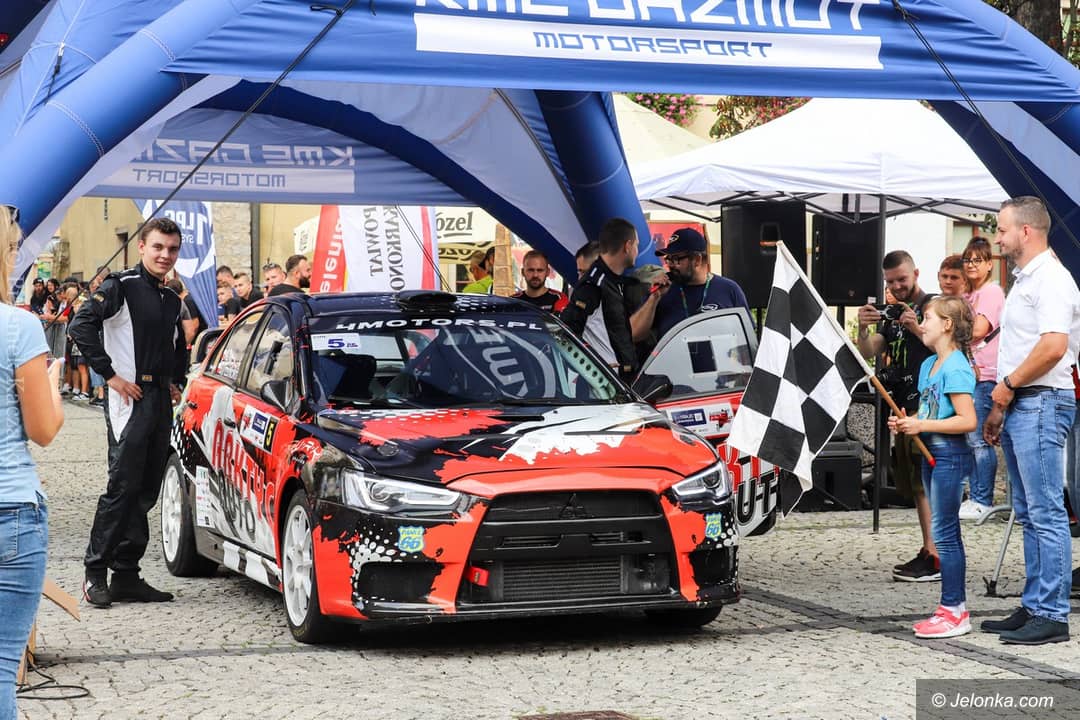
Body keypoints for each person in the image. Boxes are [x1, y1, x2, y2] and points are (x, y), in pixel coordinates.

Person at [68, 217, 189, 608]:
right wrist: (110, 377)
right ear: (141, 247)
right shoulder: (121, 285)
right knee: (122, 487)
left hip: (159, 400)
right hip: (129, 399)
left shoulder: (172, 299)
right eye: (158, 247)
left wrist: (174, 380)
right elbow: (79, 326)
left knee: (147, 488)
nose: (165, 255)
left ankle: (126, 574)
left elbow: (176, 346)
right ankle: (94, 573)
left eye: (172, 249)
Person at [981, 196, 1080, 645]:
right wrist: (1001, 405)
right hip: (1025, 401)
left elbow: (1053, 347)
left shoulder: (1052, 278)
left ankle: (1052, 613)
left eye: (1002, 229)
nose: (997, 238)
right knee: (1028, 511)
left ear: (1026, 231)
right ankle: (1036, 603)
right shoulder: (1029, 278)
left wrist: (1008, 386)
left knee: (1045, 511)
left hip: (1041, 399)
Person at [0, 206, 64, 719]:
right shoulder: (18, 327)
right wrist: (54, 389)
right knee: (1, 667)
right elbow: (43, 429)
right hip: (11, 511)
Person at [889, 296, 977, 638]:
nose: (921, 324)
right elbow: (929, 411)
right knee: (941, 533)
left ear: (947, 325)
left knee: (945, 534)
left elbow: (967, 420)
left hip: (950, 456)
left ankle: (954, 610)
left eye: (927, 318)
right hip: (931, 454)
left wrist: (921, 425)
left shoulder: (956, 366)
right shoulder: (929, 365)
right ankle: (949, 608)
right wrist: (907, 422)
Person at [856, 250, 939, 582]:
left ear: (916, 273)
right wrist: (863, 330)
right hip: (902, 406)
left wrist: (917, 328)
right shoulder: (890, 314)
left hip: (928, 407)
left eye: (902, 279)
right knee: (915, 484)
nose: (896, 286)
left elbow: (947, 347)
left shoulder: (933, 306)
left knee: (926, 482)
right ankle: (929, 549)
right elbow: (869, 351)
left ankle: (936, 555)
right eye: (890, 282)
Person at [631, 228, 749, 343]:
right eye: (668, 259)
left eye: (676, 259)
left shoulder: (729, 289)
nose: (670, 265)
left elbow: (747, 335)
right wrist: (654, 298)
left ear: (697, 260)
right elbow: (634, 334)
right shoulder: (662, 291)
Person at [958, 238, 1005, 520]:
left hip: (986, 374)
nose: (971, 265)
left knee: (979, 439)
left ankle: (982, 499)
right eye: (967, 259)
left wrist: (952, 327)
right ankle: (974, 496)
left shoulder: (991, 292)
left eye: (978, 260)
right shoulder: (968, 295)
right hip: (969, 374)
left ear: (989, 264)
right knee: (970, 439)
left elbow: (978, 329)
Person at [560, 218, 640, 379]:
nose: (638, 251)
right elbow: (565, 333)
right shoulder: (592, 285)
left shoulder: (615, 283)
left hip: (621, 380)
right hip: (601, 383)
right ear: (628, 246)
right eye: (636, 245)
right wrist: (593, 366)